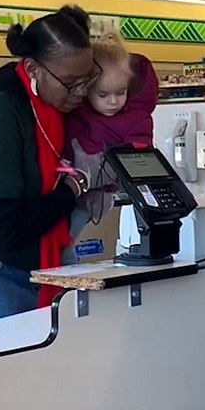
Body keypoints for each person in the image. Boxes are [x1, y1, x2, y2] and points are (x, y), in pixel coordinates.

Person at [0, 6, 100, 330]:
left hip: (31, 265)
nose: (81, 92)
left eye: (88, 78)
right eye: (70, 83)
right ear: (33, 68)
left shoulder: (49, 106)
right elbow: (6, 225)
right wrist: (71, 191)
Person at [62, 39, 159, 251]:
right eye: (103, 95)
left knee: (69, 248)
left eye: (121, 92)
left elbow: (137, 162)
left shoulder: (137, 120)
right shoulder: (75, 111)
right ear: (86, 89)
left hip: (96, 201)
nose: (113, 101)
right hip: (62, 194)